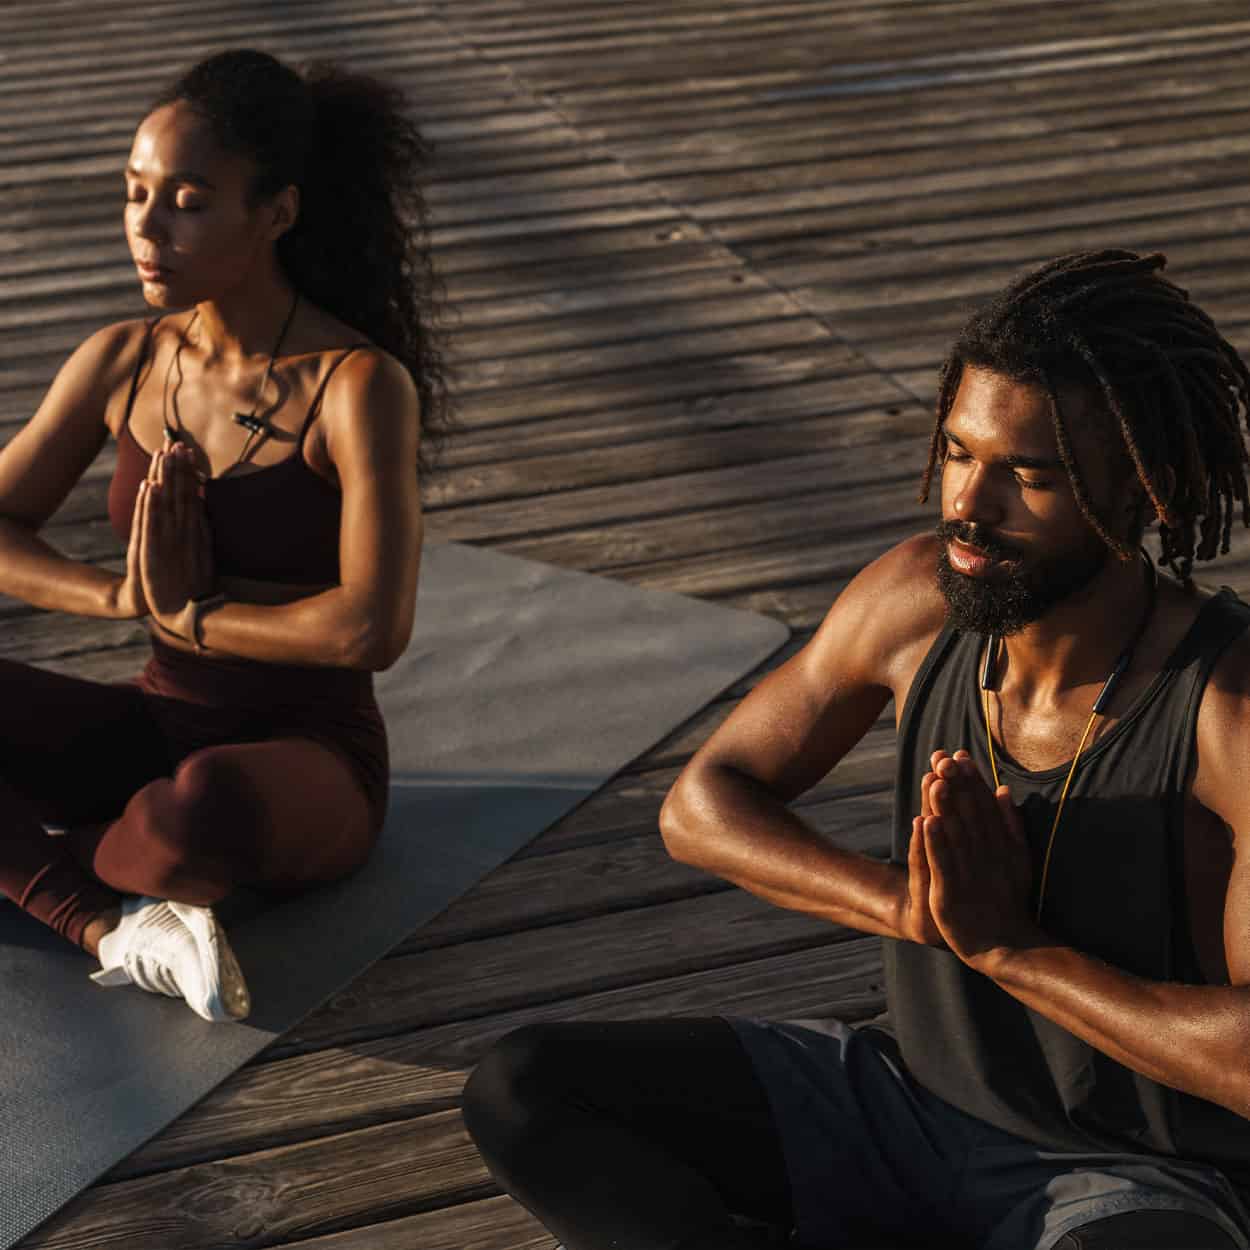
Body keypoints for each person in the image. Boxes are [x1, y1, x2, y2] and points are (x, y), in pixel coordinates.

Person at [461, 251, 1250, 1249]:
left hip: (1125, 1172)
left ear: (1148, 487)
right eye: (958, 452)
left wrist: (1010, 949)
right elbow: (701, 803)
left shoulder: (1226, 709)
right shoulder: (912, 602)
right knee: (525, 1088)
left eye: (1027, 476)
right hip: (898, 1108)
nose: (968, 505)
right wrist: (905, 907)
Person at [0, 49, 447, 1022]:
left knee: (192, 813)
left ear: (276, 212)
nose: (146, 229)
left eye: (189, 201)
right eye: (135, 194)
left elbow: (369, 629)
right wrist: (120, 599)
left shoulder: (355, 386)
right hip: (157, 723)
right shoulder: (124, 359)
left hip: (306, 759)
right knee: (168, 797)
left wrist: (193, 614)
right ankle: (118, 927)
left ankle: (58, 863)